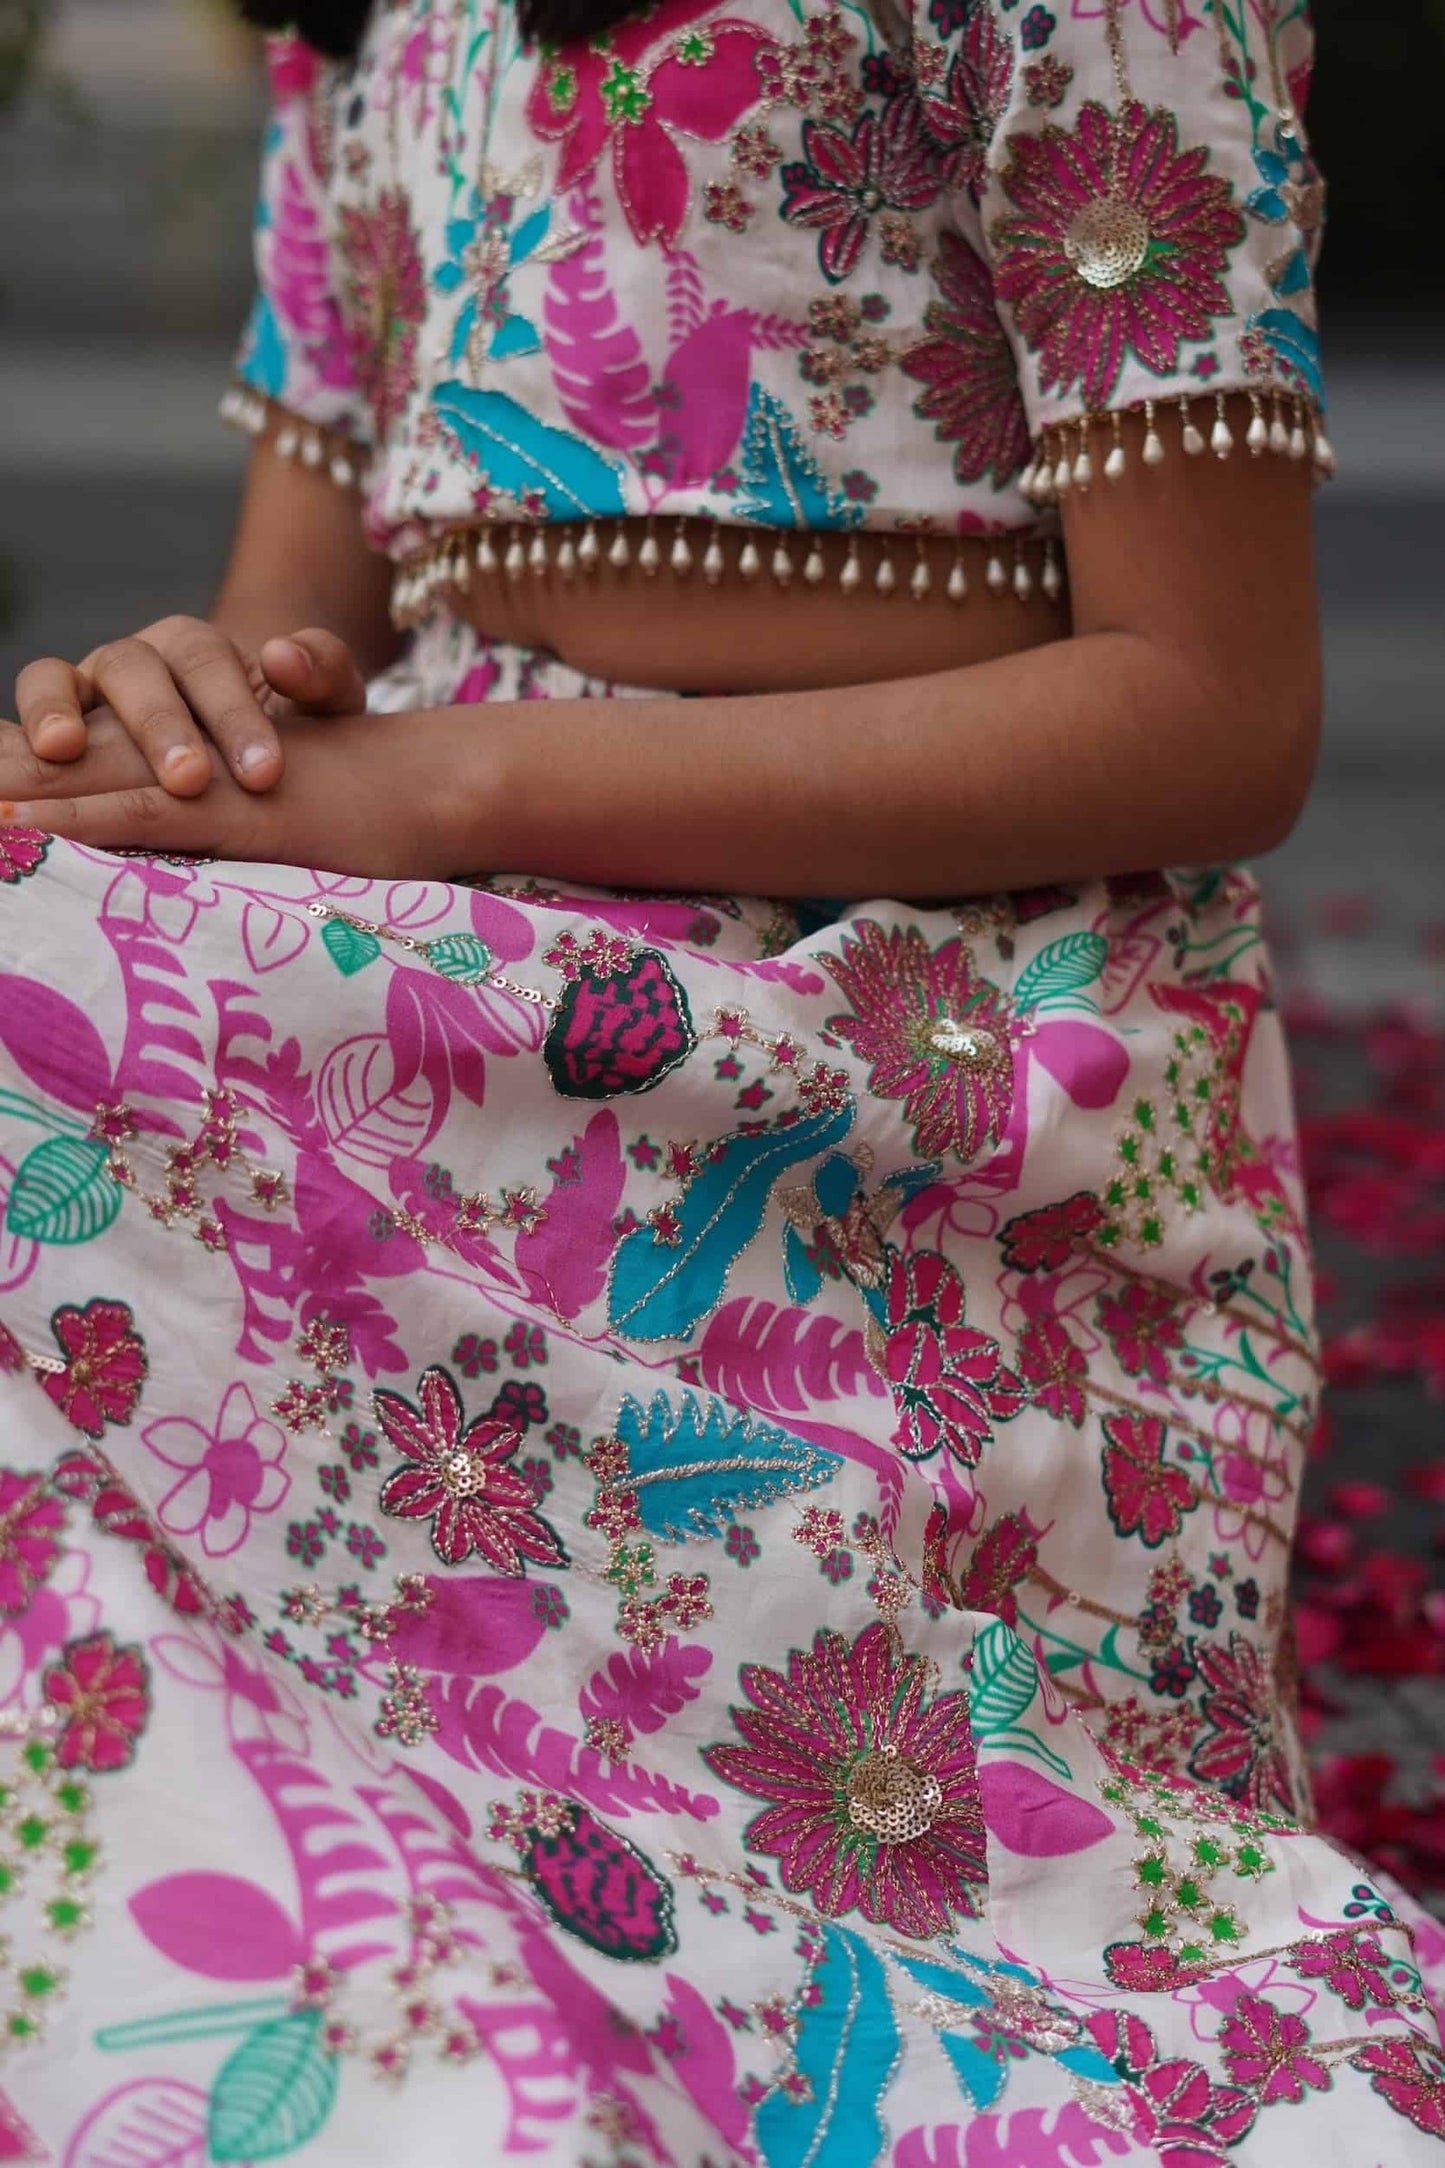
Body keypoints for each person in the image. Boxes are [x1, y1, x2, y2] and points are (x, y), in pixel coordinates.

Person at [1, 0, 1441, 2158]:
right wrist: (177, 720)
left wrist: (451, 772)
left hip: (931, 1040)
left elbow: (1217, 708)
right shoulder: (376, 34)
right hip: (472, 978)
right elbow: (299, 655)